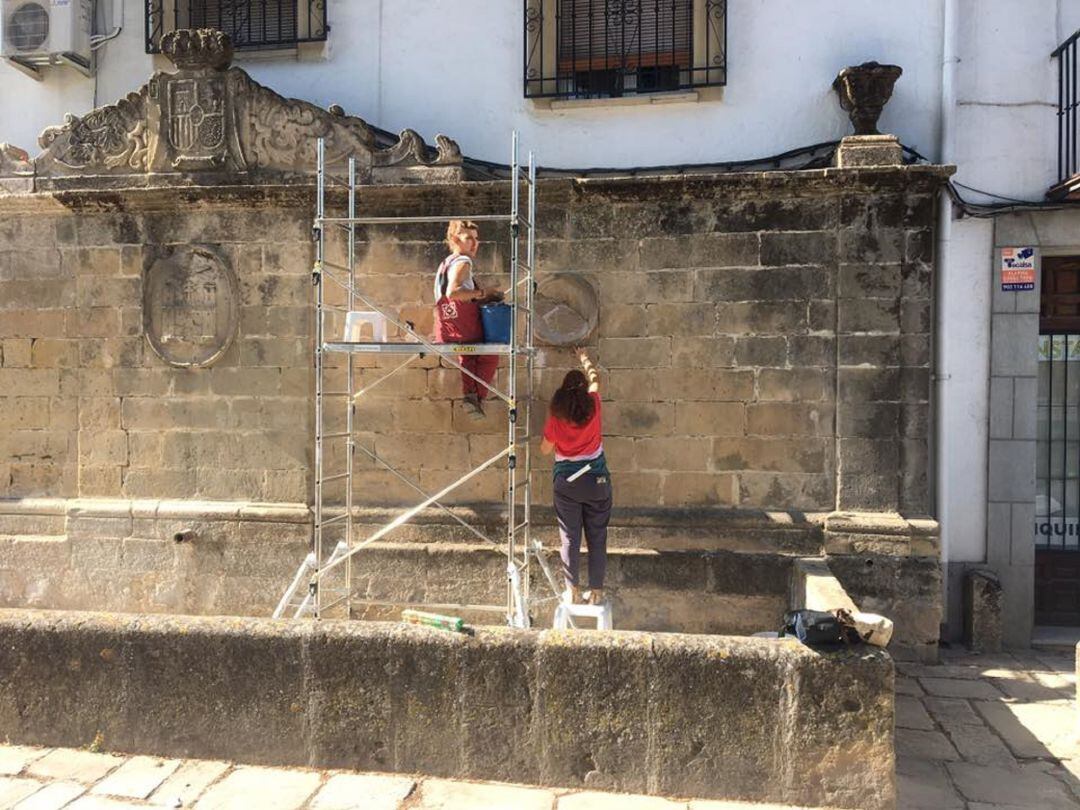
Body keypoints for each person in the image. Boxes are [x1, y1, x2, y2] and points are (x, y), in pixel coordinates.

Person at [540, 348, 612, 606]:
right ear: (583, 390)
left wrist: (559, 440)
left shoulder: (557, 418)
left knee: (570, 537)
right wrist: (584, 358)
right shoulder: (594, 403)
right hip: (597, 480)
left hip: (567, 483)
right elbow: (595, 379)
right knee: (597, 536)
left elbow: (545, 449)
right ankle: (596, 592)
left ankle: (572, 590)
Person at [433, 220, 502, 420]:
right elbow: (453, 292)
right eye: (468, 238)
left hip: (447, 328)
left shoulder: (444, 263)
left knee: (468, 358)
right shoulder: (464, 261)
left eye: (476, 239)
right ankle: (476, 398)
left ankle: (471, 397)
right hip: (465, 326)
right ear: (455, 240)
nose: (475, 243)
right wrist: (484, 293)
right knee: (490, 354)